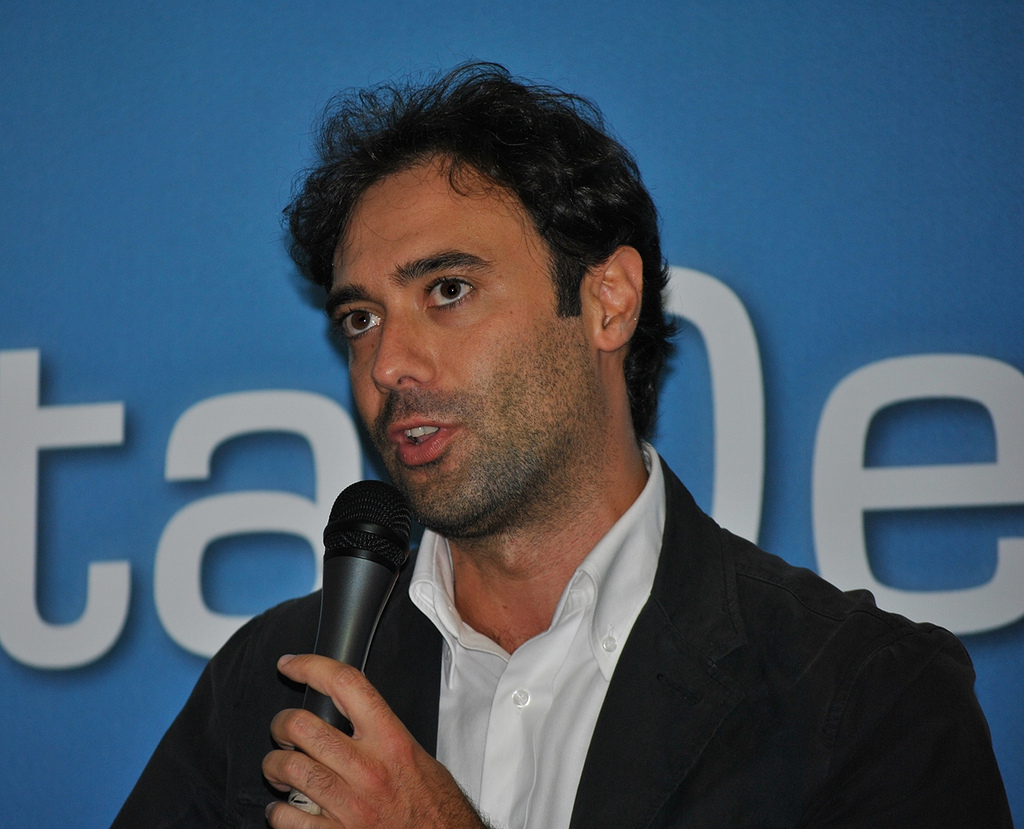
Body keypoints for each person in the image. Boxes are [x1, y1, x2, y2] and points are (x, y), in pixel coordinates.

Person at [113, 62, 1012, 828]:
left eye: (448, 290)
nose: (387, 363)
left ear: (607, 302)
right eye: (360, 318)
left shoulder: (864, 695)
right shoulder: (271, 680)